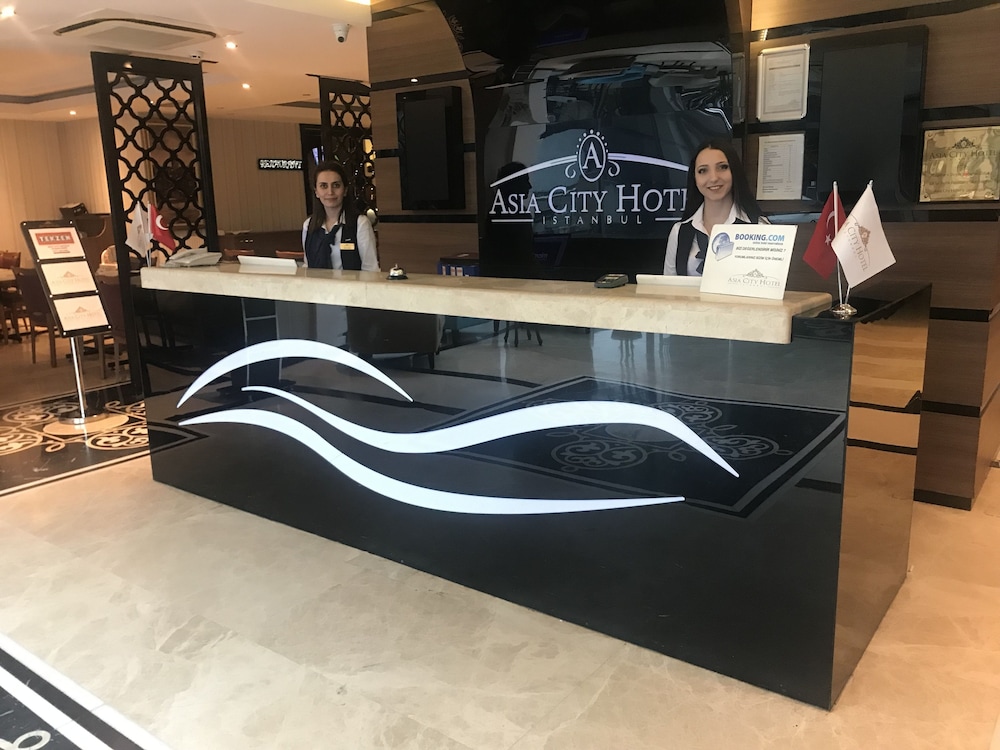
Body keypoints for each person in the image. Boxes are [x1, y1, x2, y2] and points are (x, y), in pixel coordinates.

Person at [663, 139, 765, 276]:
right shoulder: (679, 232)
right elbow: (668, 287)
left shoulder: (759, 228)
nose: (713, 178)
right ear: (694, 178)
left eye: (722, 167)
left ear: (734, 171)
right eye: (703, 170)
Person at [301, 160, 379, 271]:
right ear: (316, 192)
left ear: (345, 190)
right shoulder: (308, 225)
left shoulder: (360, 224)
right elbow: (307, 266)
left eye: (336, 185)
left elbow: (371, 269)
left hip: (352, 283)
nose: (330, 192)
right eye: (323, 186)